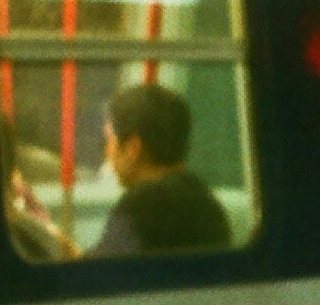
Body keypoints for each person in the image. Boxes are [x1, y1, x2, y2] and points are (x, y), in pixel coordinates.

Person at [88, 79, 232, 255]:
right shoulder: (207, 204)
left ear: (133, 148)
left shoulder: (142, 207)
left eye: (109, 140)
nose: (107, 151)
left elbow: (104, 275)